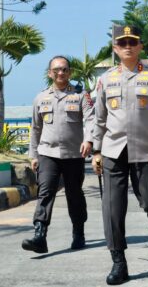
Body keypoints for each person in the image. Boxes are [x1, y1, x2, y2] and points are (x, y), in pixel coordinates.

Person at [92, 25, 148, 285]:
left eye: (132, 42)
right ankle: (119, 261)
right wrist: (96, 149)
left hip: (145, 151)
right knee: (112, 209)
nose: (127, 46)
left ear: (140, 47)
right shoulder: (105, 79)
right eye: (122, 42)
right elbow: (99, 118)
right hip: (113, 151)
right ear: (115, 48)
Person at [22, 56, 94, 254]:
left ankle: (78, 232)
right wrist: (33, 155)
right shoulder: (40, 98)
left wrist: (88, 140)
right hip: (48, 153)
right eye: (56, 70)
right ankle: (40, 235)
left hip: (73, 154)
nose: (60, 73)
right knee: (45, 192)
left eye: (64, 69)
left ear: (69, 72)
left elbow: (91, 120)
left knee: (75, 195)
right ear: (49, 73)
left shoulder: (80, 95)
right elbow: (35, 129)